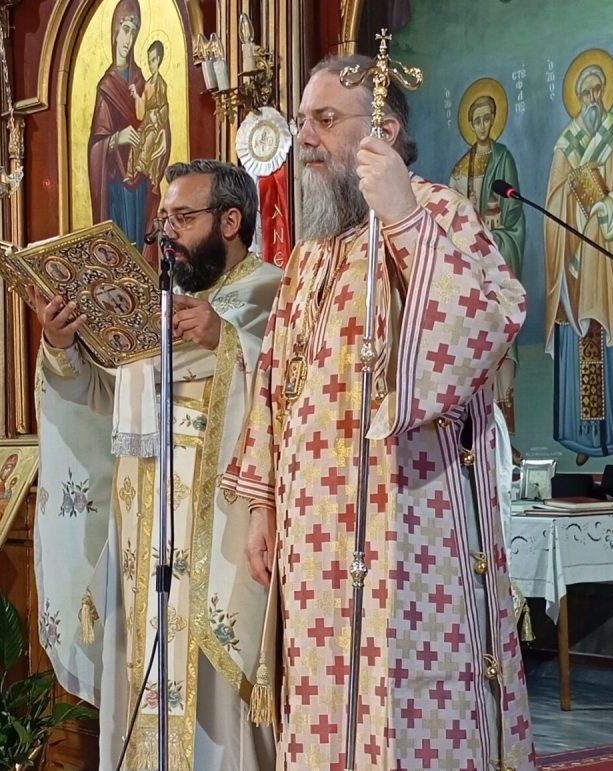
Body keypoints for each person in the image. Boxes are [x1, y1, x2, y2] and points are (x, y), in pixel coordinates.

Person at [222, 55, 536, 770]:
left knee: (405, 711)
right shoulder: (310, 255)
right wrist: (264, 505)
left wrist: (402, 219)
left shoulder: (439, 214)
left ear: (384, 132)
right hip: (313, 548)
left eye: (325, 120)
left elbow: (486, 325)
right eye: (303, 121)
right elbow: (273, 384)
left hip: (410, 529)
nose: (305, 137)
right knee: (324, 711)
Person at [32, 159, 281, 770]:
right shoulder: (155, 307)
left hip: (221, 541)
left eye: (183, 218)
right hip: (144, 539)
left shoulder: (273, 293)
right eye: (163, 219)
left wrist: (229, 341)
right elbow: (105, 401)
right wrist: (62, 347)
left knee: (218, 716)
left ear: (230, 221)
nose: (167, 233)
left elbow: (301, 391)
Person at [544, 57, 613, 467]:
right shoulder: (566, 143)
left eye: (598, 90)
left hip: (603, 255)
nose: (593, 98)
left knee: (604, 339)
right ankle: (581, 439)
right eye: (586, 93)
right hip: (574, 259)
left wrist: (609, 205)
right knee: (577, 340)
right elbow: (552, 201)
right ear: (577, 98)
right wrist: (573, 202)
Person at [449, 86, 525, 431]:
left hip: (498, 261)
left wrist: (495, 237)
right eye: (476, 120)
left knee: (503, 347)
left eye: (487, 119)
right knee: (472, 349)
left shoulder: (503, 159)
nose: (482, 126)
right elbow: (450, 220)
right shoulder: (460, 168)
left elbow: (514, 215)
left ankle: (505, 432)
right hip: (471, 270)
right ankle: (477, 436)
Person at [87, 0, 154, 246]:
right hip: (117, 182)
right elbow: (95, 145)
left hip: (139, 180)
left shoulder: (139, 79)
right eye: (125, 30)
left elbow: (152, 120)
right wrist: (116, 139)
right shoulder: (106, 86)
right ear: (115, 32)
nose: (128, 39)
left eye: (133, 33)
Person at [128, 39, 171, 193]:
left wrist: (157, 116)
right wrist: (136, 95)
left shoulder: (161, 84)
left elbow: (164, 108)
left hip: (157, 125)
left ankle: (142, 165)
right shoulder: (147, 84)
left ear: (159, 60)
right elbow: (142, 108)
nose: (151, 64)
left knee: (150, 138)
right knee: (135, 139)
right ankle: (131, 172)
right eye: (149, 61)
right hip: (146, 121)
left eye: (153, 60)